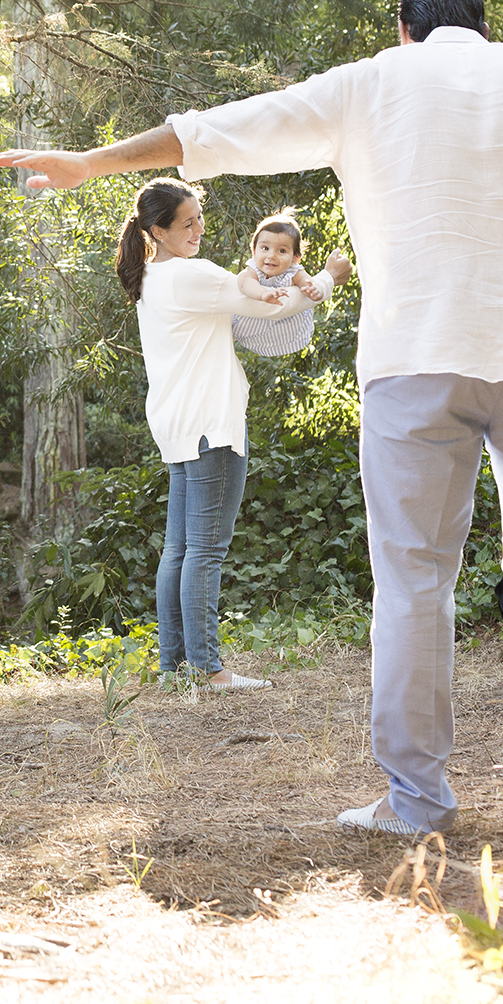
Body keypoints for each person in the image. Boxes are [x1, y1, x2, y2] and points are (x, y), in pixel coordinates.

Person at [0, 0, 503, 833]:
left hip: (414, 364)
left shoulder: (368, 84)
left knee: (411, 584)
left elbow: (224, 131)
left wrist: (93, 163)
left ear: (404, 27)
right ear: (484, 24)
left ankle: (418, 803)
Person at [115, 178, 347, 689]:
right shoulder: (191, 275)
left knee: (179, 548)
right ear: (159, 230)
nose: (199, 229)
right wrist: (330, 277)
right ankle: (207, 668)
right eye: (187, 223)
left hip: (177, 423)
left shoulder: (151, 277)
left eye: (200, 218)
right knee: (206, 550)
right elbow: (274, 306)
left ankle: (173, 667)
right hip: (209, 424)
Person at [232, 209, 340, 360]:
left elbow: (309, 283)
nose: (272, 255)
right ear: (254, 250)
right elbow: (245, 283)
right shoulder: (253, 269)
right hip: (251, 330)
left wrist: (315, 291)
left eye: (282, 250)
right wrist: (262, 294)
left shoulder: (294, 272)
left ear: (295, 257)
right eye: (265, 248)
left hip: (287, 333)